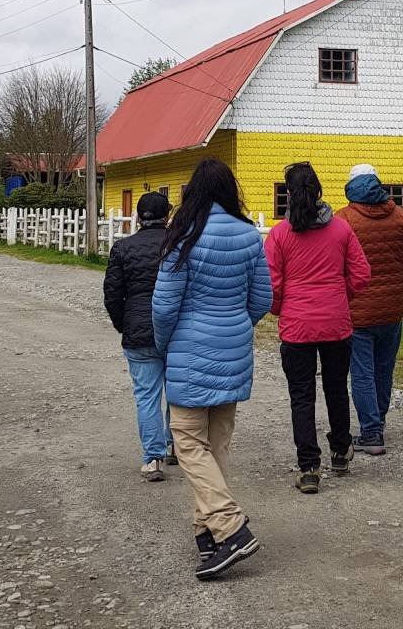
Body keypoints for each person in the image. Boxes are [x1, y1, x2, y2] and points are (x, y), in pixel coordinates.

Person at [152, 159, 271, 580]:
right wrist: (235, 327)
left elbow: (165, 306)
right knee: (217, 444)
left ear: (193, 193)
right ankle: (208, 533)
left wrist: (166, 345)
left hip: (189, 347)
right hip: (234, 346)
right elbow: (262, 298)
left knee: (186, 442)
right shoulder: (248, 235)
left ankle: (231, 527)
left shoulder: (183, 236)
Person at [265, 162, 371, 495]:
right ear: (320, 190)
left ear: (288, 193)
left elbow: (272, 284)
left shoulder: (280, 234)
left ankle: (309, 466)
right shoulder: (340, 230)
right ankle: (340, 451)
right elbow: (362, 274)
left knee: (302, 397)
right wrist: (341, 295)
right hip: (336, 323)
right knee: (337, 388)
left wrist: (283, 309)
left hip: (297, 326)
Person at [336, 164, 403, 455]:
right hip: (391, 309)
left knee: (362, 372)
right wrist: (398, 283)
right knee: (384, 369)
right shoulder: (399, 216)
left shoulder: (344, 219)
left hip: (357, 310)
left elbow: (337, 263)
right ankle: (379, 422)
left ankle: (371, 433)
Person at [103, 191, 175, 483]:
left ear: (137, 218)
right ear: (167, 216)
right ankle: (177, 445)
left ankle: (152, 458)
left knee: (147, 395)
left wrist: (125, 324)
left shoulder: (123, 249)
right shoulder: (178, 245)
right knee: (177, 393)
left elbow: (112, 295)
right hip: (175, 331)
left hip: (138, 330)